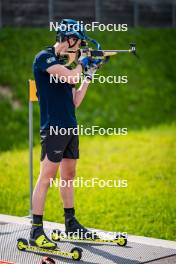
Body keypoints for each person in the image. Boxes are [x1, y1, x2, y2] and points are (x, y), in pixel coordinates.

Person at [30, 19, 101, 249]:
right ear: (68, 38)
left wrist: (89, 74)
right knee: (46, 178)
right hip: (53, 128)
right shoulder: (45, 58)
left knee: (68, 175)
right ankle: (36, 230)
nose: (78, 45)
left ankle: (70, 222)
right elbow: (70, 76)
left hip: (70, 127)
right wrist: (82, 63)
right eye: (78, 41)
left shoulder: (65, 65)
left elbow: (75, 101)